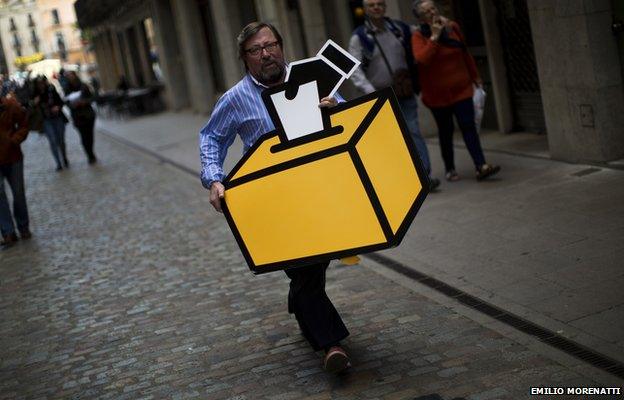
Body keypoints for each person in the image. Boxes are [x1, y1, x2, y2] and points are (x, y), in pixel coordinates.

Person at [199, 22, 351, 374]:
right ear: (245, 58)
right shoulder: (235, 98)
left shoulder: (311, 78)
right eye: (255, 49)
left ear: (282, 47)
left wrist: (334, 108)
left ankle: (300, 301)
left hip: (318, 190)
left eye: (271, 45)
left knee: (314, 265)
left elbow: (347, 112)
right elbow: (210, 139)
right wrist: (215, 179)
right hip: (275, 201)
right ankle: (331, 344)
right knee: (304, 268)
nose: (266, 53)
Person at [348, 0, 440, 190]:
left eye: (380, 4)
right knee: (392, 138)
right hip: (381, 96)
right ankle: (403, 178)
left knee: (413, 131)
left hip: (404, 90)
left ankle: (424, 176)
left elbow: (422, 31)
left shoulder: (399, 28)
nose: (376, 8)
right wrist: (370, 92)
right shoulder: (359, 37)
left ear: (385, 7)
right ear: (365, 9)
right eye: (372, 5)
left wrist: (438, 21)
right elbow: (355, 70)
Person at [411, 0, 500, 181]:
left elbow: (464, 52)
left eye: (433, 8)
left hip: (462, 89)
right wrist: (434, 37)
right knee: (446, 131)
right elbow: (422, 60)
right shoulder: (419, 36)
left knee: (469, 127)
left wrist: (475, 76)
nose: (432, 13)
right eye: (426, 12)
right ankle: (450, 168)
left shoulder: (452, 27)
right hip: (437, 95)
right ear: (421, 18)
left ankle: (481, 165)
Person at [0, 95, 30, 247]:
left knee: (18, 193)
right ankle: (8, 232)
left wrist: (15, 139)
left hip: (13, 157)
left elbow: (24, 124)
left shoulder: (11, 105)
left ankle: (23, 227)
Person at [32, 76, 68, 171]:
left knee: (61, 140)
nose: (41, 85)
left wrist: (57, 107)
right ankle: (58, 163)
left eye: (42, 83)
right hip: (45, 120)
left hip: (57, 118)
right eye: (38, 84)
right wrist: (34, 103)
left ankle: (64, 157)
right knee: (53, 140)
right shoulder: (35, 94)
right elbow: (30, 108)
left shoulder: (51, 90)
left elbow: (60, 102)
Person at [65, 71, 97, 164]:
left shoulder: (84, 86)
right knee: (83, 137)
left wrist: (84, 102)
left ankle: (91, 152)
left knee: (90, 136)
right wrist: (73, 105)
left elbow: (92, 98)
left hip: (88, 115)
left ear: (75, 76)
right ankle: (89, 155)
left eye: (71, 76)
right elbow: (66, 102)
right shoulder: (67, 89)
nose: (70, 78)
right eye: (68, 76)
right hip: (77, 117)